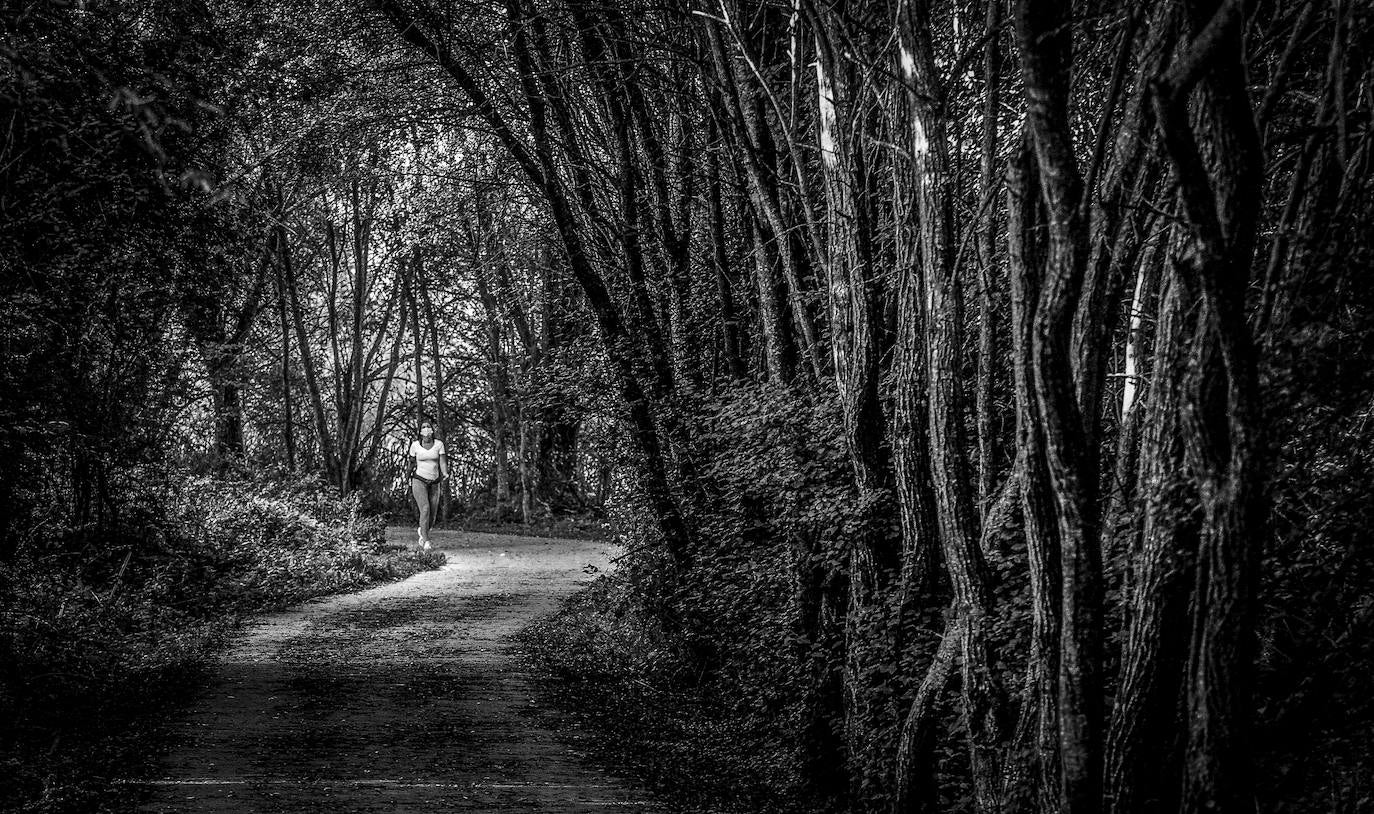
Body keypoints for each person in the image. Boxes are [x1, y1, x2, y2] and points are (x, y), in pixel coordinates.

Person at [408, 424, 447, 550]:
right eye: (423, 427)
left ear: (432, 431)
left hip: (435, 482)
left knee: (433, 514)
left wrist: (445, 472)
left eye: (428, 427)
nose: (426, 429)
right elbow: (411, 463)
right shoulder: (415, 445)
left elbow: (442, 461)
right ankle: (426, 541)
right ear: (421, 432)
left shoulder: (439, 444)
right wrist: (407, 477)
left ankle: (423, 530)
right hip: (419, 480)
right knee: (425, 509)